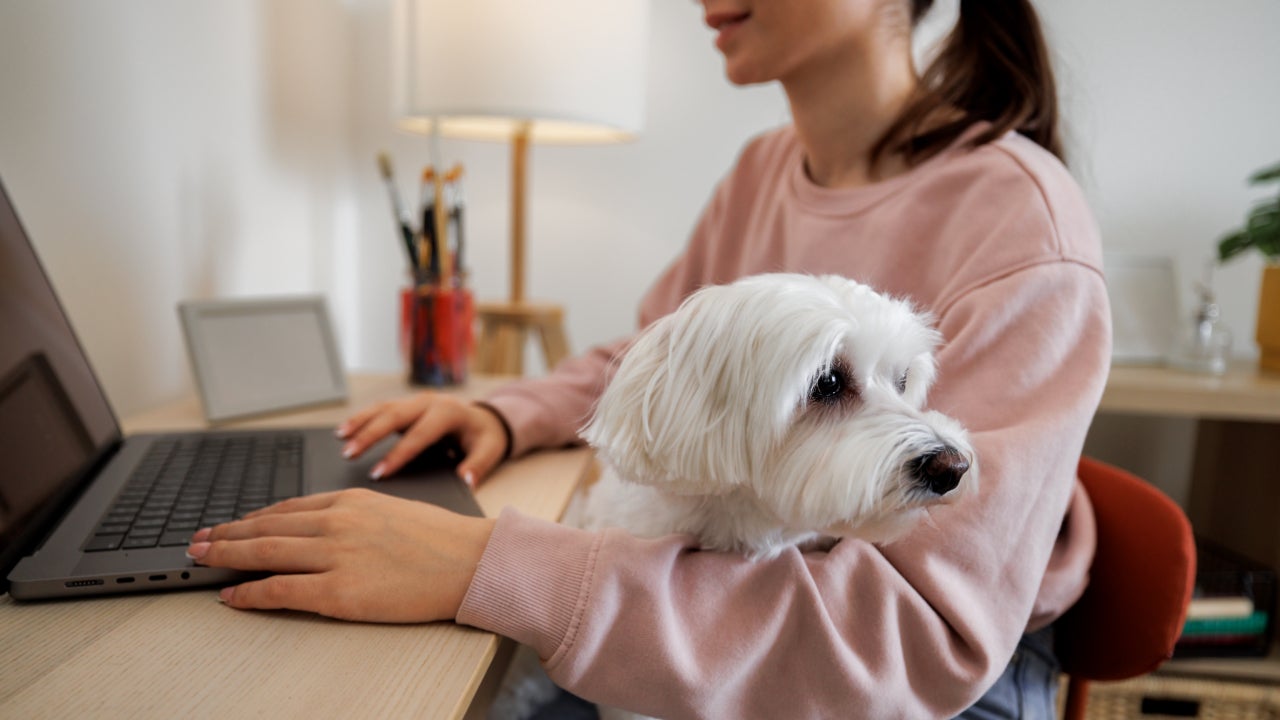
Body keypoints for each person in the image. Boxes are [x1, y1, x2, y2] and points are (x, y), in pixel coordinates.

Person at [186, 0, 1110, 716]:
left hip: (921, 680)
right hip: (740, 610)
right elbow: (657, 353)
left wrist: (488, 566)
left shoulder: (1023, 225)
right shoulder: (763, 171)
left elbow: (915, 638)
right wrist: (508, 412)